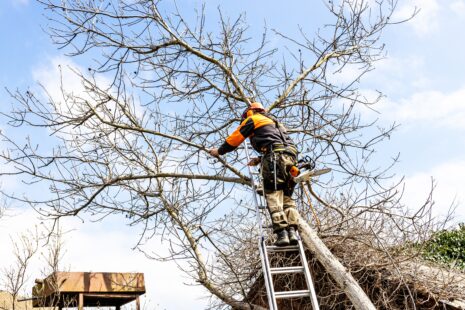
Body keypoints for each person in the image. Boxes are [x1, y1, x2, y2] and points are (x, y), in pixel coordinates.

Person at [209, 102, 300, 246]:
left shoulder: (253, 119)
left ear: (249, 112)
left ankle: (282, 233)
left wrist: (219, 151)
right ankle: (293, 232)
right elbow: (277, 144)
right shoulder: (275, 122)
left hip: (274, 158)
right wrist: (259, 159)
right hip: (291, 159)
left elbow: (235, 138)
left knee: (273, 193)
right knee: (286, 196)